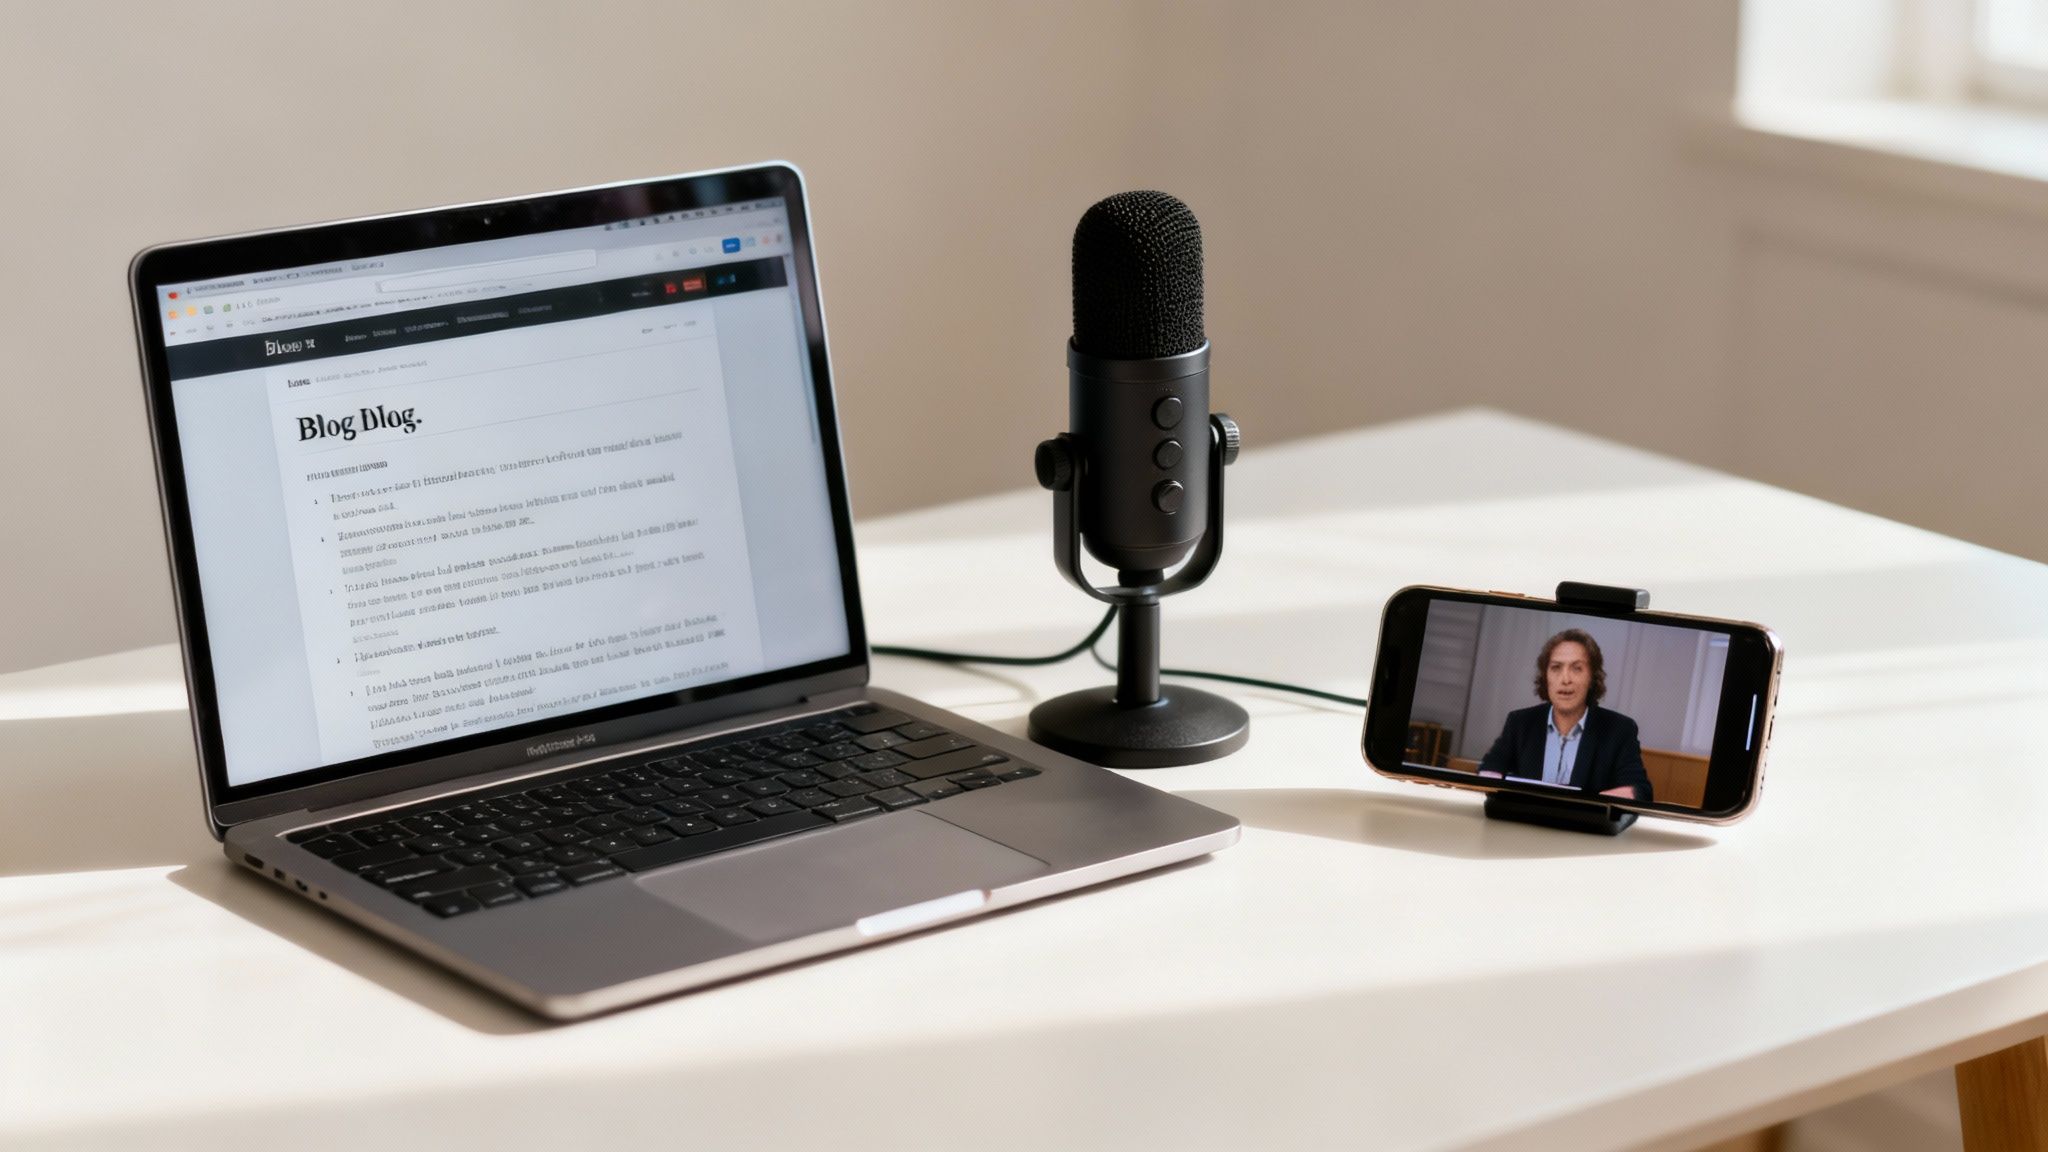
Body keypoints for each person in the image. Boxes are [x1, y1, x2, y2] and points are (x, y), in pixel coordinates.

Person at [1475, 628, 1652, 802]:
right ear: (1546, 676)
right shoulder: (1520, 722)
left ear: (1592, 678)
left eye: (1577, 668)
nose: (1565, 679)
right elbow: (1490, 768)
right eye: (1556, 668)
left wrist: (1599, 804)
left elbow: (1640, 789)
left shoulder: (1619, 730)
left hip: (1584, 828)